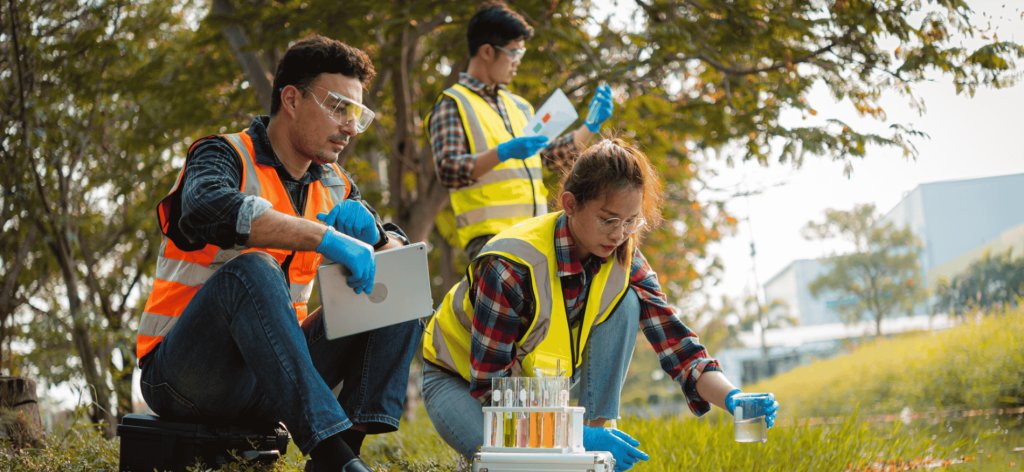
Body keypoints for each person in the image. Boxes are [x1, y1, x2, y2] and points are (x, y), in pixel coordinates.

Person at [135, 35, 422, 472]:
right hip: (185, 375)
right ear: (291, 99)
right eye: (338, 107)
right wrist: (326, 239)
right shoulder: (222, 154)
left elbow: (397, 254)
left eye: (356, 114)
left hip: (276, 379)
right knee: (253, 269)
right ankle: (332, 454)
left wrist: (381, 243)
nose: (348, 126)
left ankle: (342, 456)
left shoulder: (337, 185)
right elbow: (206, 207)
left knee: (398, 292)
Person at [421, 139, 780, 469]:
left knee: (627, 303)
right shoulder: (509, 268)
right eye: (608, 220)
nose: (619, 234)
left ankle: (596, 436)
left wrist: (733, 398)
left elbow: (679, 347)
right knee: (523, 464)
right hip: (463, 382)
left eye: (630, 221)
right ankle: (562, 447)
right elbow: (492, 391)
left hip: (541, 392)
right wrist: (574, 439)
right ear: (570, 204)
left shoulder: (625, 258)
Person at [428, 1, 616, 259]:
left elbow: (548, 156)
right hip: (492, 240)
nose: (517, 62)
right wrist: (502, 152)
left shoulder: (519, 106)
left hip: (537, 235)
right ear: (486, 51)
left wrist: (590, 126)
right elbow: (449, 170)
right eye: (514, 53)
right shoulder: (453, 103)